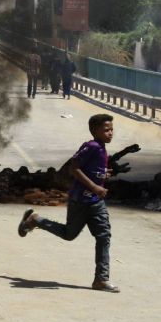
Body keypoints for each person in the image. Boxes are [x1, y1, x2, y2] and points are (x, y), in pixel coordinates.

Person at [17, 114, 119, 293]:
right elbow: (74, 168)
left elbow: (91, 170)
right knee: (69, 234)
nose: (110, 133)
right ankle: (35, 219)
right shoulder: (91, 146)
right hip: (80, 200)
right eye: (106, 130)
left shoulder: (102, 148)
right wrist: (95, 186)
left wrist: (103, 175)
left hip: (96, 202)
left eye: (111, 129)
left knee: (104, 237)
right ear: (94, 131)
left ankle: (101, 279)